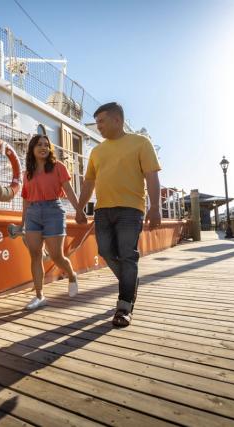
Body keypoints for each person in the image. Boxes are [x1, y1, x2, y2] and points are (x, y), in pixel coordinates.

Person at [75, 102, 161, 327]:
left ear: (117, 120)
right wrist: (80, 208)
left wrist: (155, 207)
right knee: (105, 250)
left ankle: (124, 306)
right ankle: (129, 282)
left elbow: (151, 175)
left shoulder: (141, 143)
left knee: (127, 254)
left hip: (131, 209)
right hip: (103, 210)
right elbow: (89, 182)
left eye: (101, 121)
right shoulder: (96, 151)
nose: (98, 126)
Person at [21, 134, 82, 310]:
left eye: (46, 145)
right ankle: (39, 296)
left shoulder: (58, 167)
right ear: (32, 149)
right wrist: (22, 222)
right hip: (32, 213)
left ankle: (71, 274)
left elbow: (69, 191)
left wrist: (79, 210)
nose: (43, 148)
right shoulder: (27, 173)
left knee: (56, 255)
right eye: (39, 145)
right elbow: (25, 199)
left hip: (53, 211)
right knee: (35, 254)